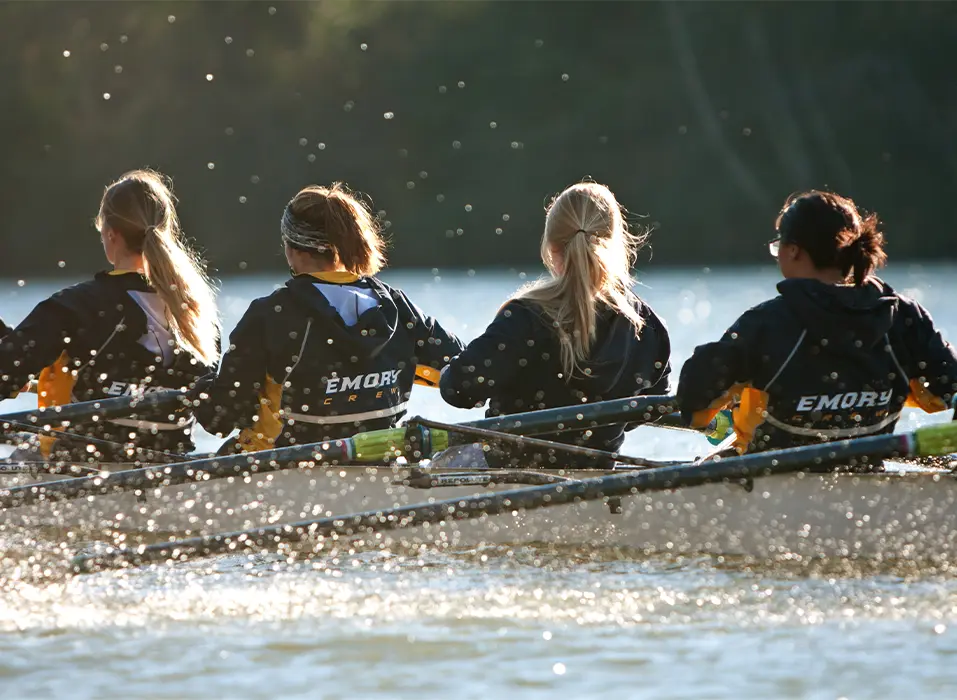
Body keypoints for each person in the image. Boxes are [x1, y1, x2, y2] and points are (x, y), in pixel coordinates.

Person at [677, 190, 957, 466]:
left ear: (794, 251)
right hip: (868, 481)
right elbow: (949, 389)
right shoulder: (903, 317)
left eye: (778, 247)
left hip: (769, 484)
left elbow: (694, 401)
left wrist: (728, 403)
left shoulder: (766, 323)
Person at [196, 183, 464, 453]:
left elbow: (219, 419)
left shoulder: (271, 314)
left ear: (293, 249)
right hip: (380, 463)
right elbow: (466, 378)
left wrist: (195, 391)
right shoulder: (397, 307)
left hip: (281, 468)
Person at [439, 181, 671, 468]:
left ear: (551, 247)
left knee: (434, 464)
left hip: (508, 471)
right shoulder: (647, 327)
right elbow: (651, 408)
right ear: (615, 242)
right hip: (594, 474)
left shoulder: (526, 316)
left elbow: (459, 391)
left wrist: (448, 371)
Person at [0, 169, 220, 462]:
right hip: (171, 469)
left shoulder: (75, 306)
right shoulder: (197, 315)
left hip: (80, 468)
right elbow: (215, 418)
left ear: (110, 234)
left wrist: (15, 373)